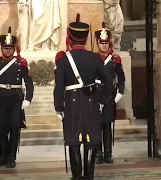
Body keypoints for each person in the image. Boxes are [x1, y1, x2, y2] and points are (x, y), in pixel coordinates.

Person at [54, 13, 113, 180]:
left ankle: (77, 177)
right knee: (92, 140)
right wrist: (103, 100)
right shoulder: (94, 58)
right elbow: (109, 80)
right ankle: (89, 176)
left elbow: (59, 86)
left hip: (72, 104)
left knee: (74, 141)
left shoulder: (64, 60)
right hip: (92, 101)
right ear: (86, 39)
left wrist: (59, 107)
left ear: (70, 39)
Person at [0, 27, 34, 168]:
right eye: (5, 48)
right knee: (1, 128)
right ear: (1, 48)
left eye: (10, 48)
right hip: (0, 99)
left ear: (14, 48)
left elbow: (29, 84)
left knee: (14, 127)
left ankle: (12, 157)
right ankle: (3, 156)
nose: (7, 50)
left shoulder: (21, 64)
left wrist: (27, 99)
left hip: (15, 100)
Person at [94, 22, 125, 164]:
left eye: (106, 43)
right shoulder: (93, 59)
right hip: (96, 97)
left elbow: (121, 77)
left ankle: (108, 153)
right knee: (97, 125)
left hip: (109, 96)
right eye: (101, 43)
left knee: (107, 125)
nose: (104, 46)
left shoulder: (115, 59)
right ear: (97, 43)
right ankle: (98, 153)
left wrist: (120, 92)